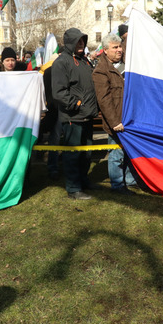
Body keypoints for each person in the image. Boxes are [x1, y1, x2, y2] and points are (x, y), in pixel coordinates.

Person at [51, 28, 99, 200]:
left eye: (82, 41)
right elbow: (58, 92)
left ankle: (83, 181)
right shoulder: (61, 62)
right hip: (73, 117)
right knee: (72, 154)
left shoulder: (84, 61)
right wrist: (77, 104)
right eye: (77, 41)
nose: (81, 44)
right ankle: (73, 188)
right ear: (70, 42)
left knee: (86, 153)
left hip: (87, 115)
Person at [92, 33, 138, 194]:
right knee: (117, 154)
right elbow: (104, 100)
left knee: (129, 152)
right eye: (115, 47)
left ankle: (130, 181)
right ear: (105, 50)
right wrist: (114, 122)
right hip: (116, 121)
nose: (119, 50)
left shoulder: (127, 65)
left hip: (130, 118)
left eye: (120, 47)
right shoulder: (101, 71)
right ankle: (118, 185)